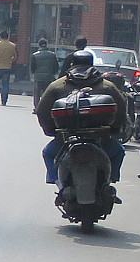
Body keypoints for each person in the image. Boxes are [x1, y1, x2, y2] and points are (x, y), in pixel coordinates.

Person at [37, 49, 128, 186]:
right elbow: (121, 110)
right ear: (92, 64)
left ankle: (59, 184)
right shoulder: (107, 86)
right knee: (118, 151)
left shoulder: (57, 86)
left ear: (72, 64)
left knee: (48, 153)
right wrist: (114, 130)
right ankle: (109, 181)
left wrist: (51, 131)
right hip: (101, 140)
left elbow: (42, 111)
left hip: (65, 140)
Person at [29, 37, 60, 108]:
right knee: (47, 94)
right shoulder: (52, 55)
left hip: (38, 77)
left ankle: (37, 107)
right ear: (46, 44)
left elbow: (32, 67)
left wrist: (34, 74)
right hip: (49, 77)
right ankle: (46, 107)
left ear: (39, 45)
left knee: (37, 94)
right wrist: (53, 73)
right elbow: (56, 66)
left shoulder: (35, 55)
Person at [0, 31, 18, 105]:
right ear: (8, 37)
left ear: (0, 37)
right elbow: (16, 56)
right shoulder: (13, 45)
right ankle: (4, 100)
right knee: (5, 84)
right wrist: (11, 61)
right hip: (7, 67)